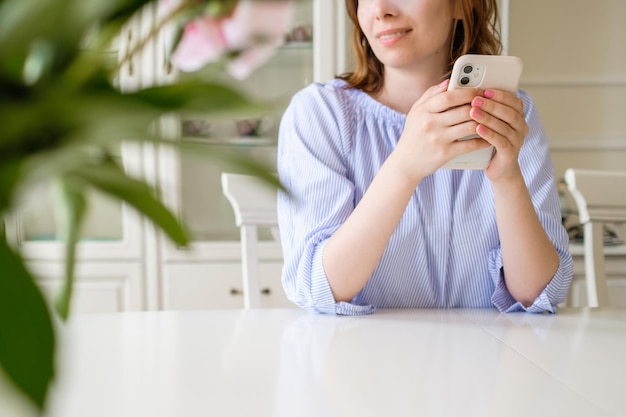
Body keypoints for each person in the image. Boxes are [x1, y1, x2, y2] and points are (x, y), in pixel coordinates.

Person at [276, 0, 573, 315]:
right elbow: (318, 286)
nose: (381, 10)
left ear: (460, 6)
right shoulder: (321, 113)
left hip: (486, 358)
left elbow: (540, 294)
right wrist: (404, 167)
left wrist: (507, 177)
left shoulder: (511, 115)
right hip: (361, 357)